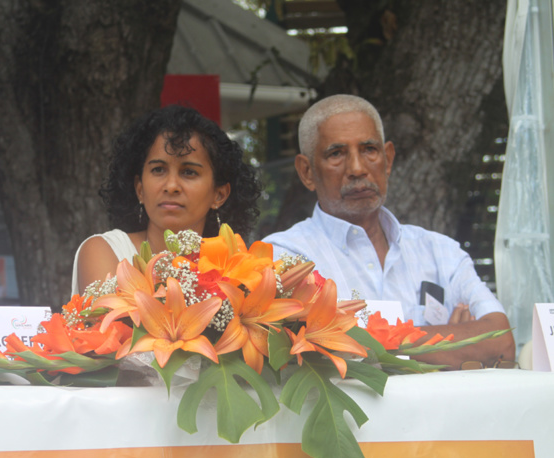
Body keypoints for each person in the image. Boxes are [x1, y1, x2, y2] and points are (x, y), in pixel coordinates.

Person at [263, 94, 514, 370]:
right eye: (336, 153)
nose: (357, 169)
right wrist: (448, 341)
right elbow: (314, 353)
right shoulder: (286, 257)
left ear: (388, 159)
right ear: (307, 172)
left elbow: (500, 342)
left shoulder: (441, 251)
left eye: (369, 149)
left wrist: (365, 341)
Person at [72, 104, 262, 294]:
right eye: (158, 170)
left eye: (189, 172)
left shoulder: (237, 267)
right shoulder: (104, 251)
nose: (171, 186)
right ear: (140, 189)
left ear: (219, 195)